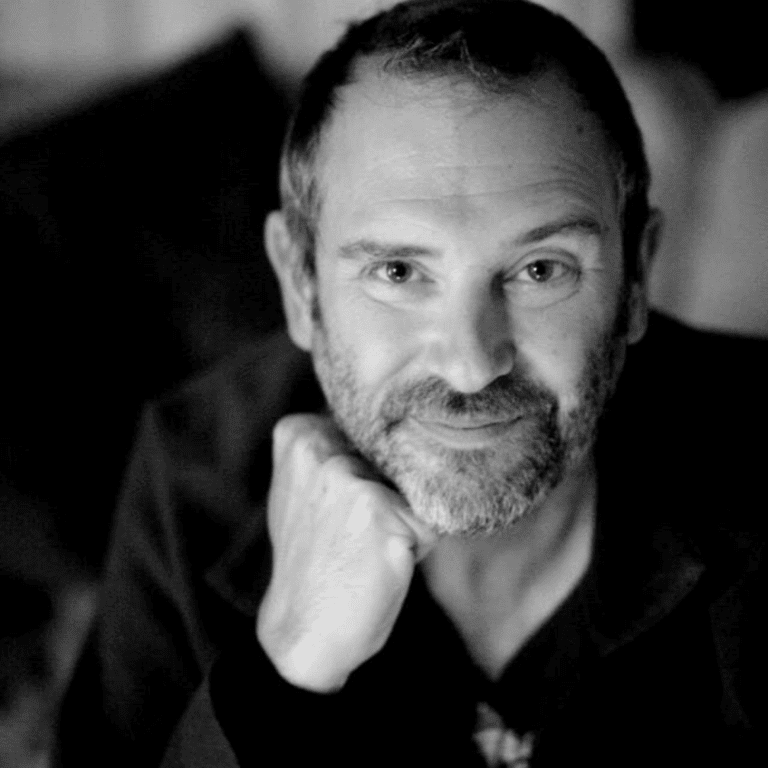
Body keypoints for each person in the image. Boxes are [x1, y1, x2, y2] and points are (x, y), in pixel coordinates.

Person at [61, 1, 764, 766]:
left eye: (540, 270)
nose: (469, 364)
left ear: (635, 282)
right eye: (398, 271)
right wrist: (285, 672)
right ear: (300, 284)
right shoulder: (194, 486)